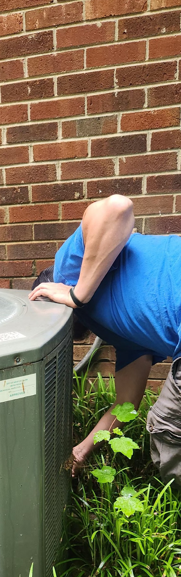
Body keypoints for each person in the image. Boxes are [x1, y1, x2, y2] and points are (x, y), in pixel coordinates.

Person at [28, 194, 181, 484]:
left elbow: (118, 207)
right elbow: (126, 405)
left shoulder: (67, 270)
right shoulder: (126, 333)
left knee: (167, 433)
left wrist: (76, 294)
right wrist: (83, 450)